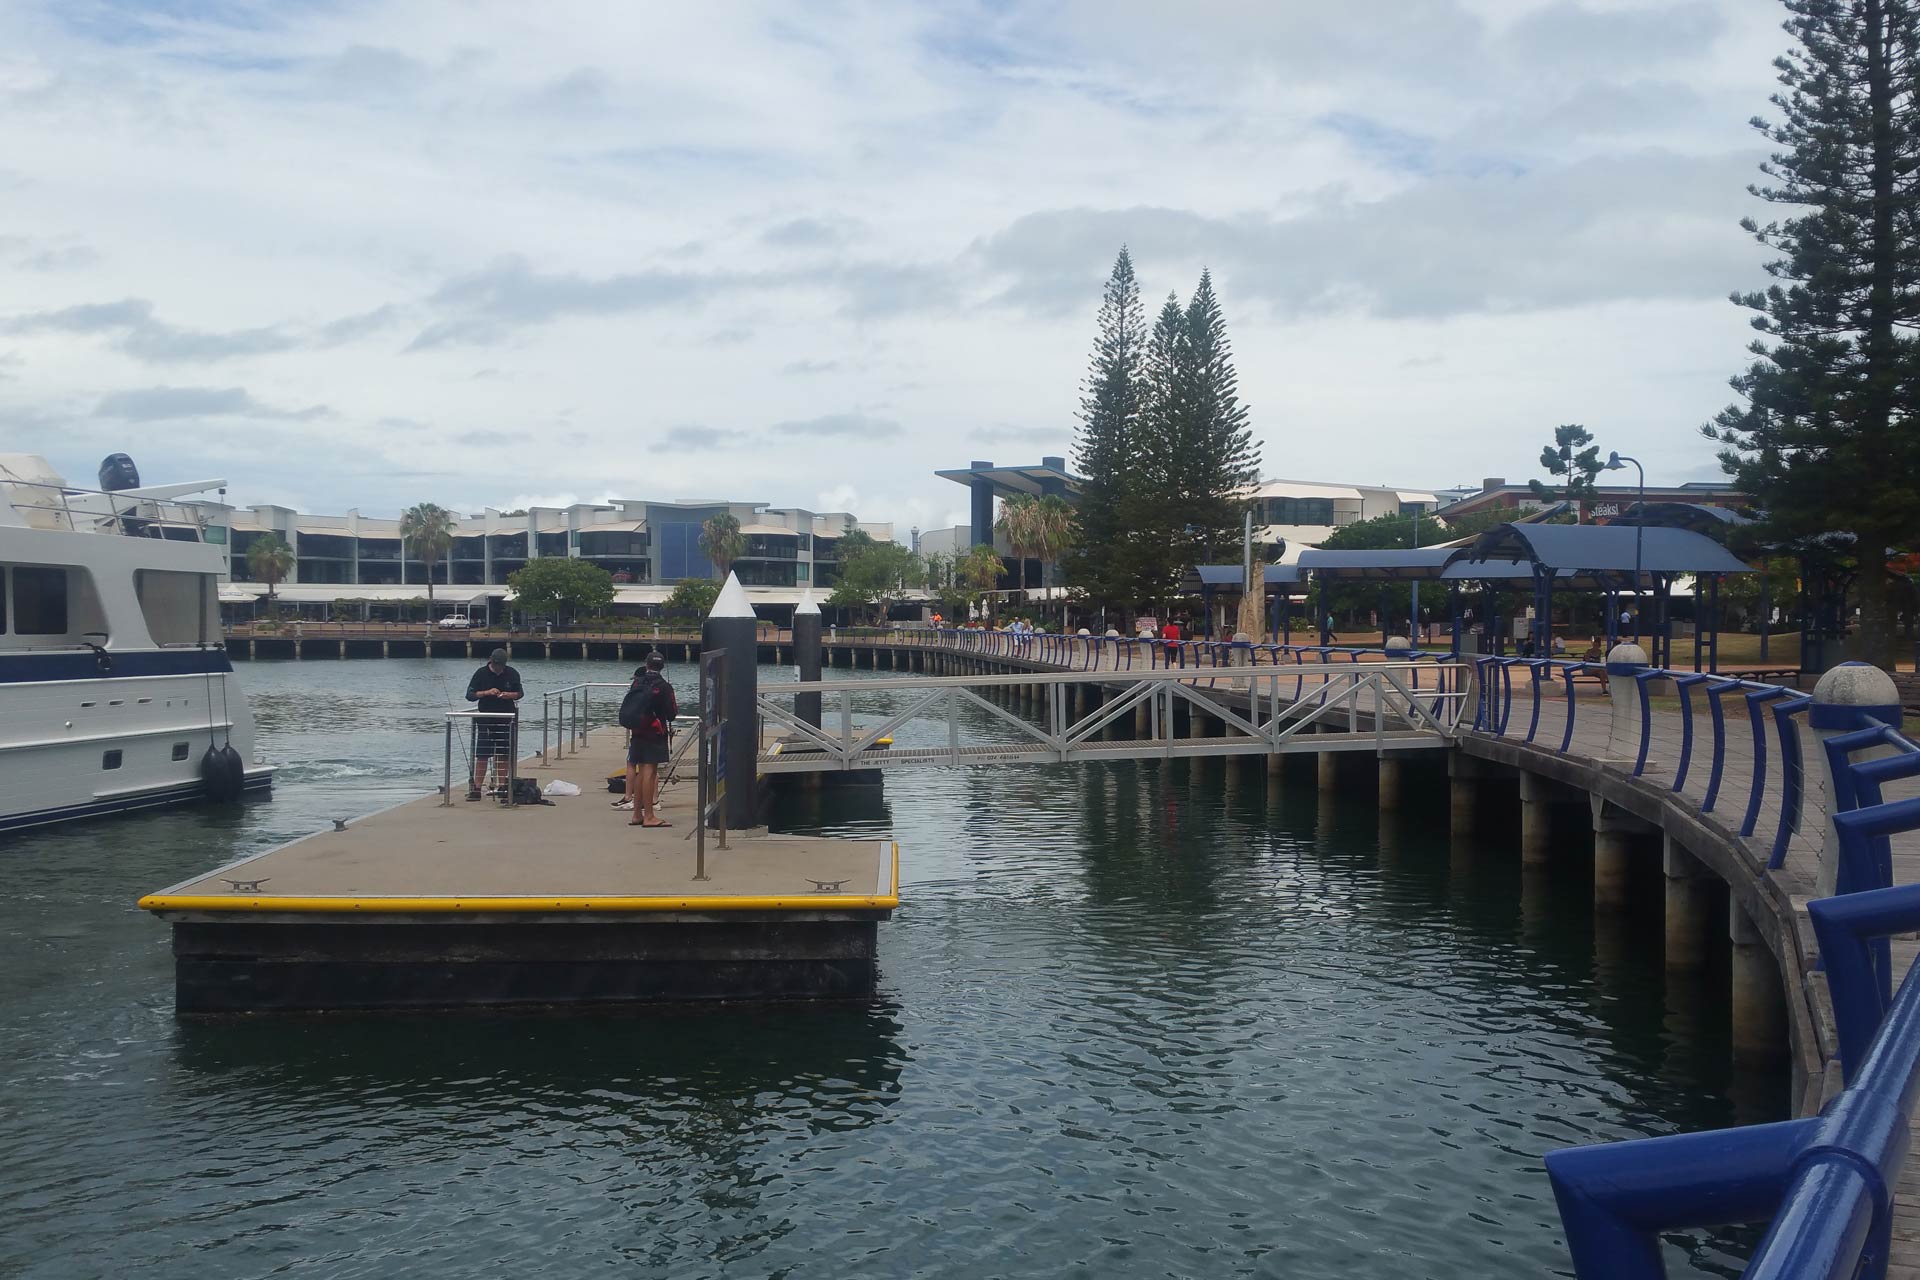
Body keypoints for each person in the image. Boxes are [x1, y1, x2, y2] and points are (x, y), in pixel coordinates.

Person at [620, 650, 677, 828]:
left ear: (646, 665)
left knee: (639, 770)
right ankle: (650, 816)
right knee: (649, 772)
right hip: (655, 733)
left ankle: (637, 814)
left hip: (637, 732)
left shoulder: (637, 682)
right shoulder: (665, 687)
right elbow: (672, 714)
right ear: (662, 667)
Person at [464, 648, 523, 800]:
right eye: (496, 665)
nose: (498, 668)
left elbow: (520, 693)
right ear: (490, 660)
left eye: (501, 666)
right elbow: (470, 695)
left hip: (505, 718)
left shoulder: (512, 673)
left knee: (504, 754)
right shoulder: (480, 673)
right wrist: (486, 692)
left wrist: (509, 695)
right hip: (486, 718)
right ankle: (477, 787)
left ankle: (502, 786)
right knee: (482, 754)